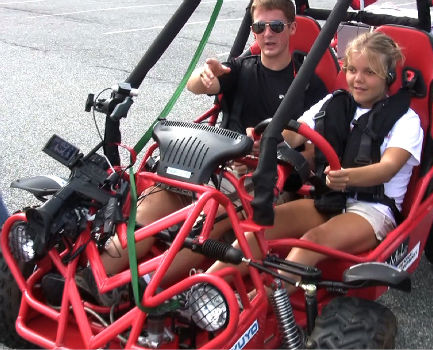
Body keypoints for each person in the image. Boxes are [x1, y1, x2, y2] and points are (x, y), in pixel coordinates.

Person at [98, 0, 327, 281]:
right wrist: (202, 77)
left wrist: (275, 147)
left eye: (276, 26)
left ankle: (139, 288)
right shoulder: (240, 69)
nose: (267, 34)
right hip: (216, 165)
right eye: (260, 26)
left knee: (212, 211)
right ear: (253, 31)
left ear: (291, 28)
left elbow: (313, 152)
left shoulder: (309, 84)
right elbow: (199, 85)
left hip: (265, 179)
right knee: (155, 202)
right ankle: (94, 278)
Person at [208, 31, 424, 295]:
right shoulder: (334, 102)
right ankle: (204, 288)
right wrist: (264, 139)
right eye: (352, 69)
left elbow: (388, 167)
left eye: (369, 73)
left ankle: (251, 310)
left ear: (388, 77)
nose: (357, 79)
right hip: (330, 198)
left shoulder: (406, 121)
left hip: (372, 209)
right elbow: (294, 132)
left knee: (311, 242)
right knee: (262, 227)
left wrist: (349, 177)